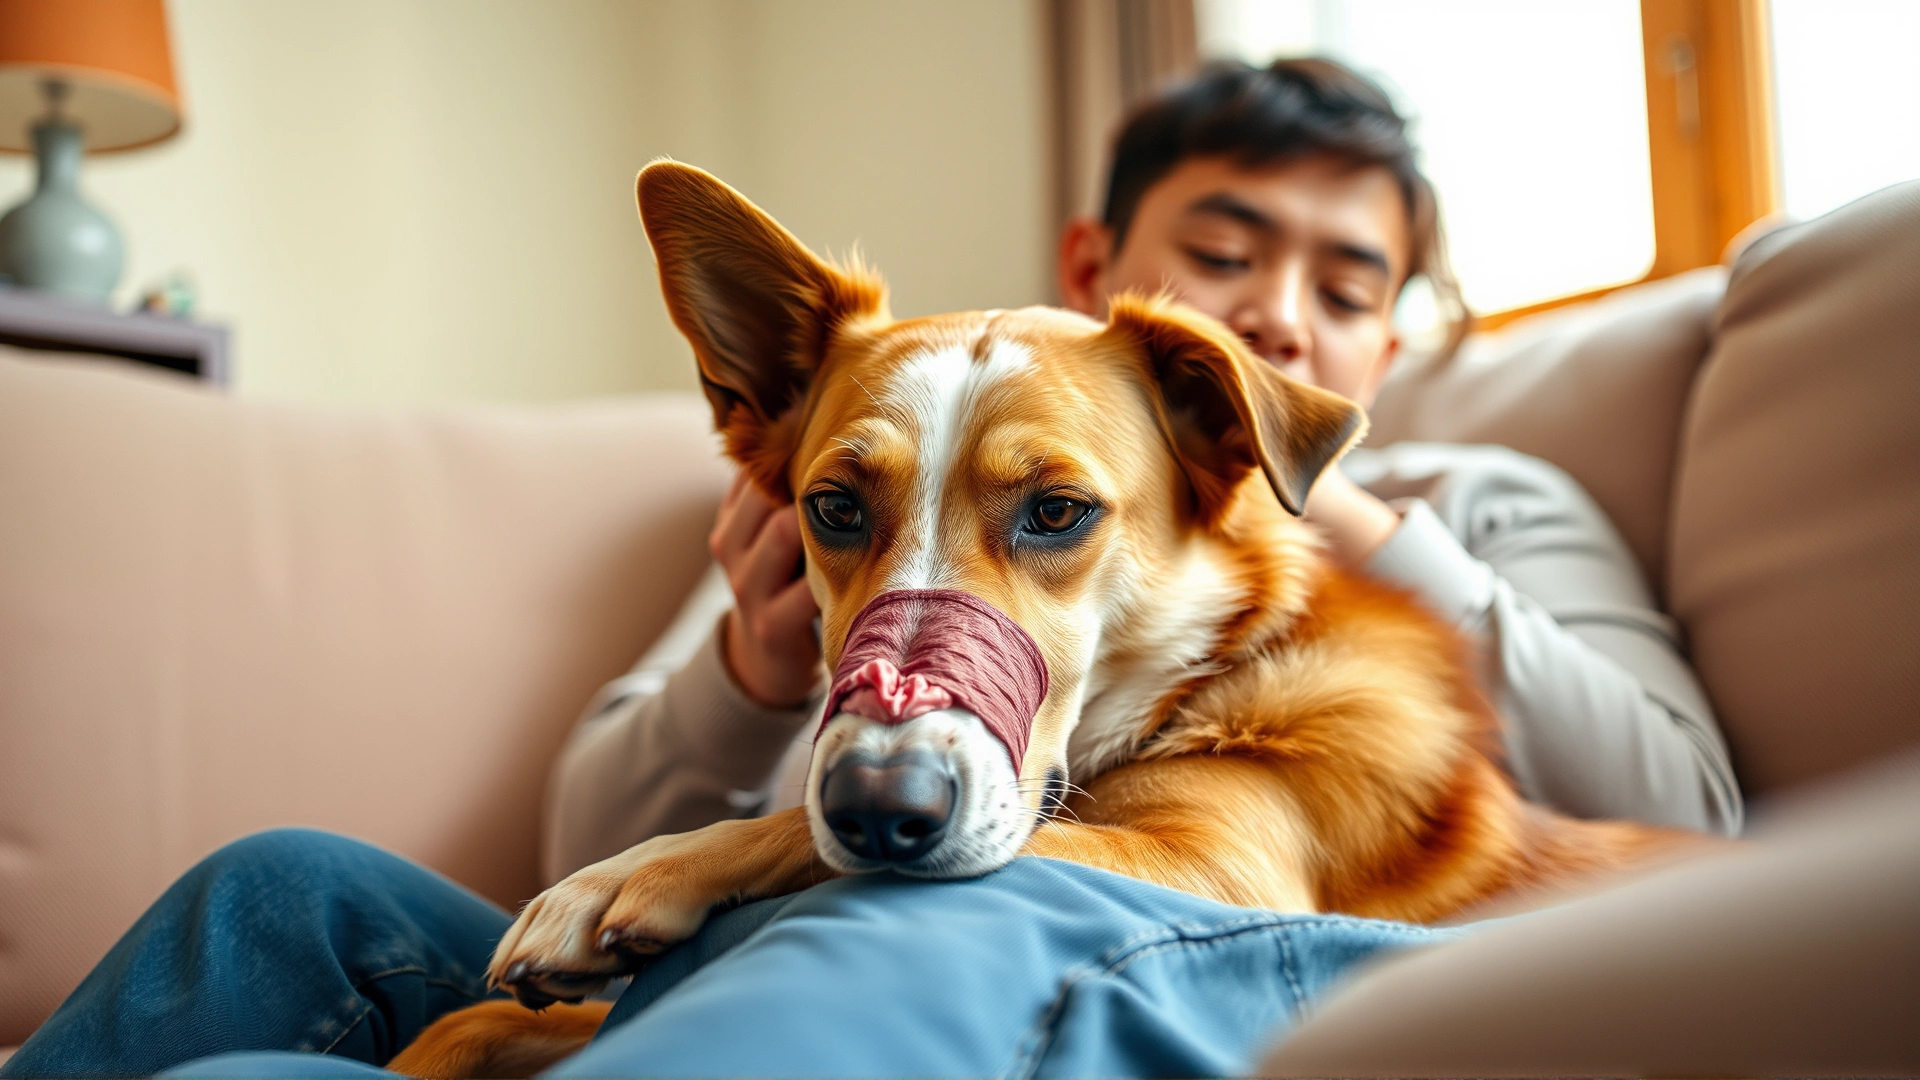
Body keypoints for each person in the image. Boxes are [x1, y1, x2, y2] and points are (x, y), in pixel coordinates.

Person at [1, 58, 1740, 1079]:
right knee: (281, 894)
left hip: (1272, 945)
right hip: (807, 916)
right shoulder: (870, 460)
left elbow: (1702, 826)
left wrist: (1291, 486)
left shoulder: (1480, 495)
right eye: (1226, 245)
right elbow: (584, 858)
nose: (1281, 305)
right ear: (1098, 253)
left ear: (1387, 336)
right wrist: (757, 666)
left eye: (1347, 286)